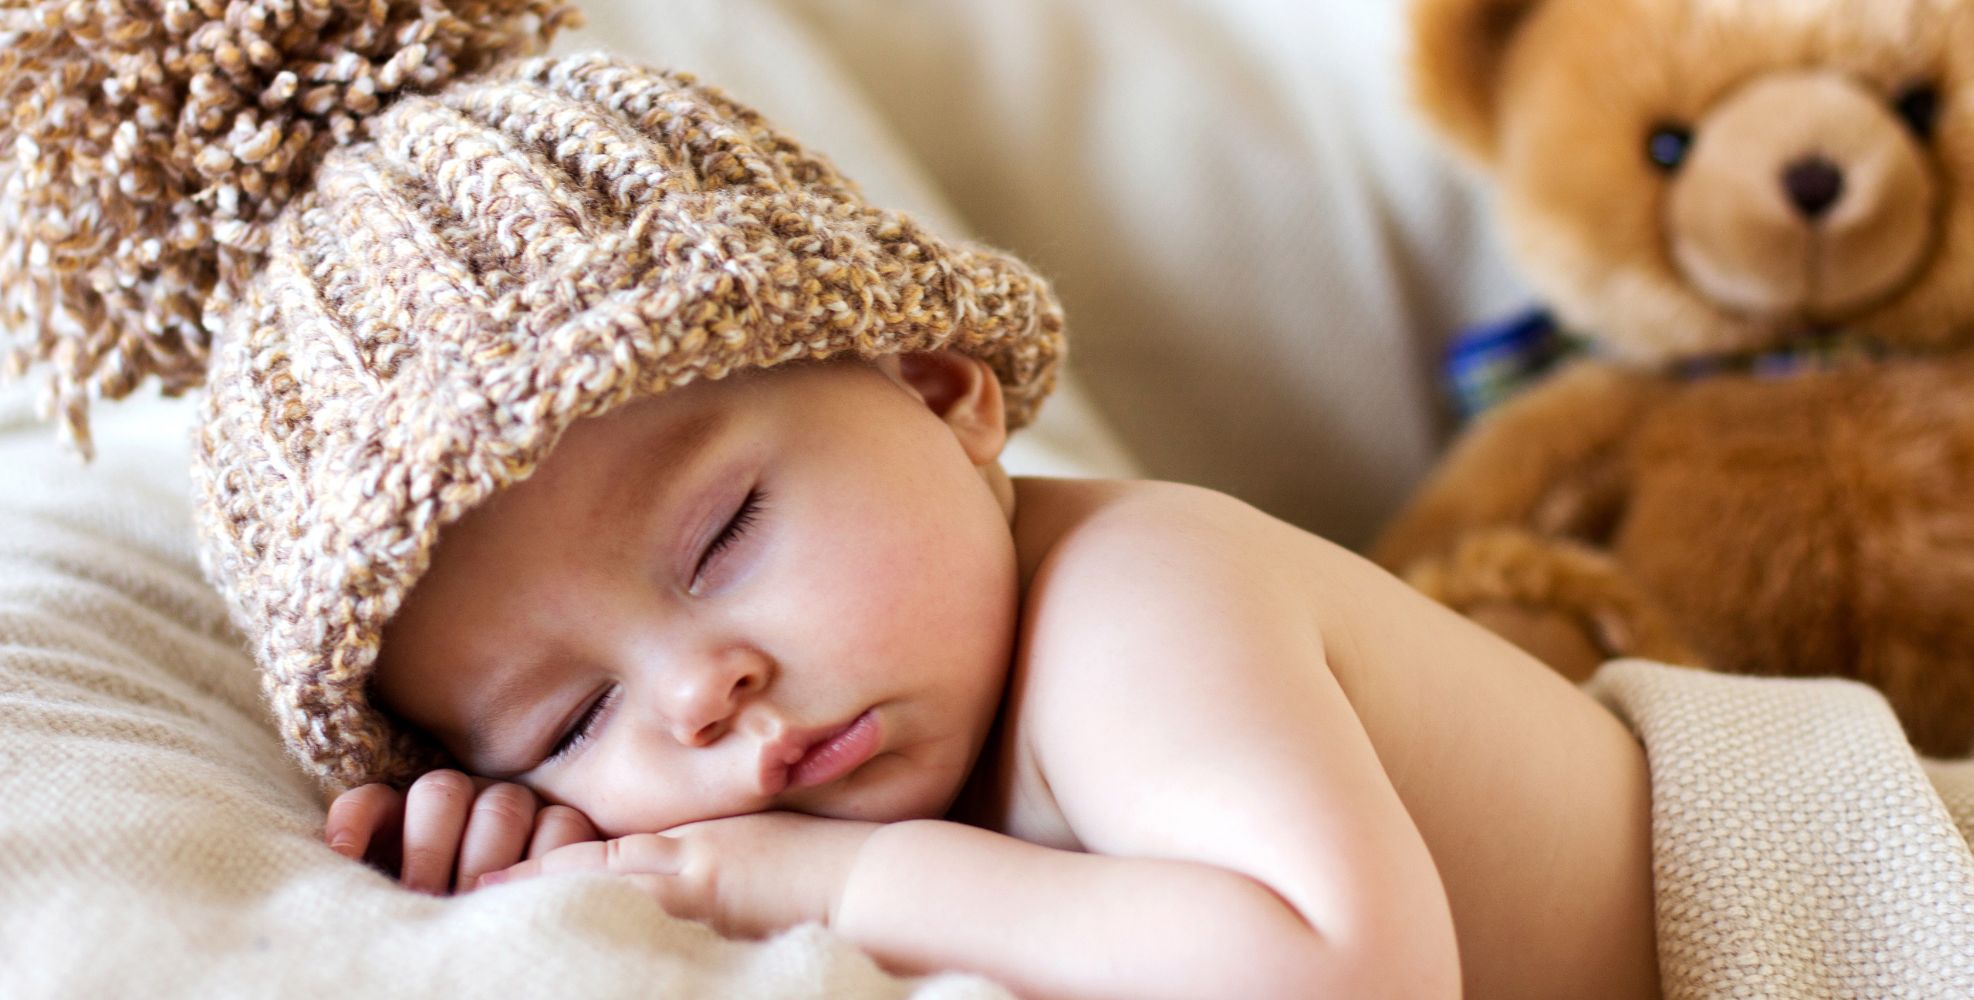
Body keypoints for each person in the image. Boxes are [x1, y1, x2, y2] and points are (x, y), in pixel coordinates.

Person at [0, 7, 1654, 997]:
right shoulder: (798, 767)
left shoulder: (1141, 597)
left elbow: (1348, 982)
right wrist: (541, 853)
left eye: (724, 538)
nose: (698, 694)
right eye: (569, 719)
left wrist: (821, 887)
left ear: (941, 393)